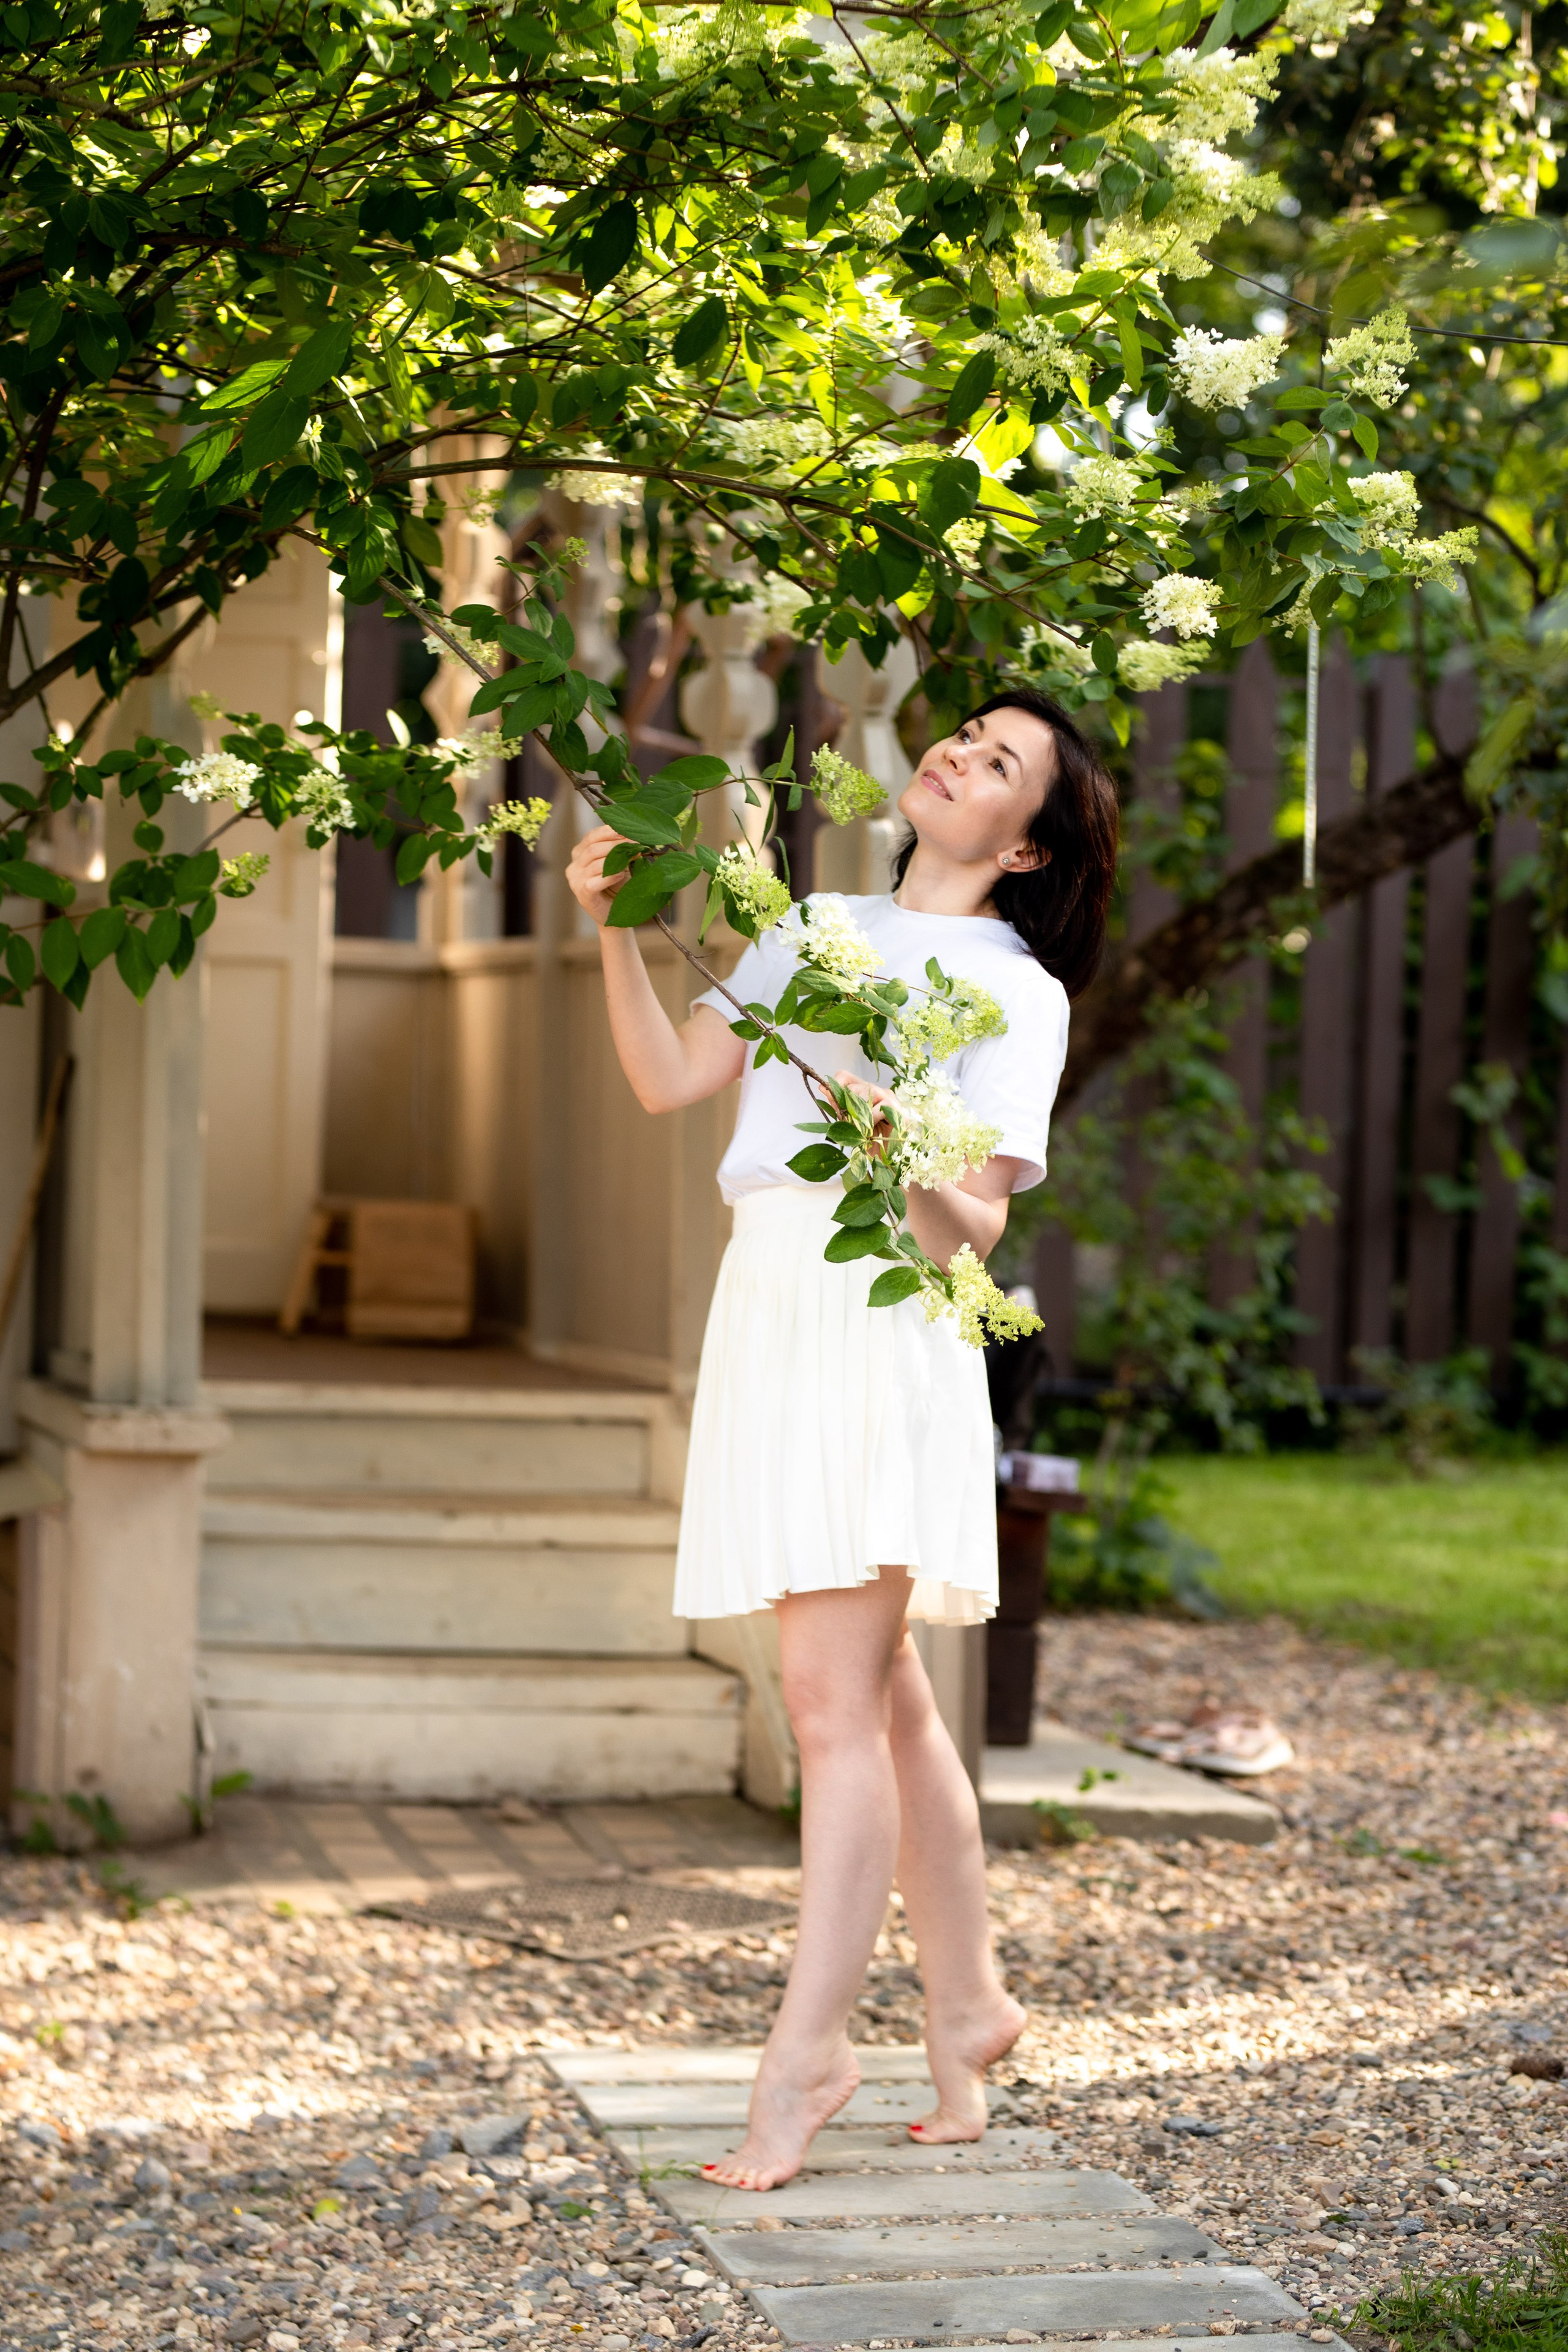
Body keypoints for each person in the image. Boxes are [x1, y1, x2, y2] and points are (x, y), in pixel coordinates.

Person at [565, 687, 1119, 2191]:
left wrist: (897, 1130)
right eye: (960, 736)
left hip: (890, 1331)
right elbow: (671, 1080)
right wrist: (613, 927)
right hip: (774, 1307)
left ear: (1024, 846)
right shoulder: (812, 925)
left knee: (825, 1704)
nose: (953, 755)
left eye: (997, 763)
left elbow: (975, 1229)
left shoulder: (1018, 992)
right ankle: (968, 2006)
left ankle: (806, 2056)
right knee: (880, 1693)